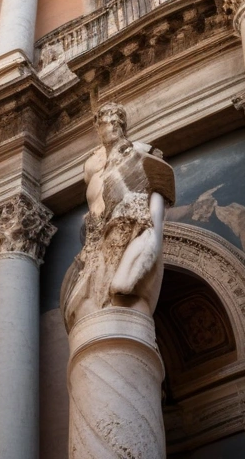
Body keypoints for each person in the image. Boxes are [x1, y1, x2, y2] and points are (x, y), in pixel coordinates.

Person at [62, 103, 175, 331]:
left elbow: (159, 187)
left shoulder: (139, 151)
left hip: (130, 225)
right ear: (98, 127)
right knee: (80, 303)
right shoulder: (92, 164)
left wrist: (153, 225)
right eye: (107, 123)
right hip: (96, 238)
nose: (113, 127)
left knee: (120, 287)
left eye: (117, 123)